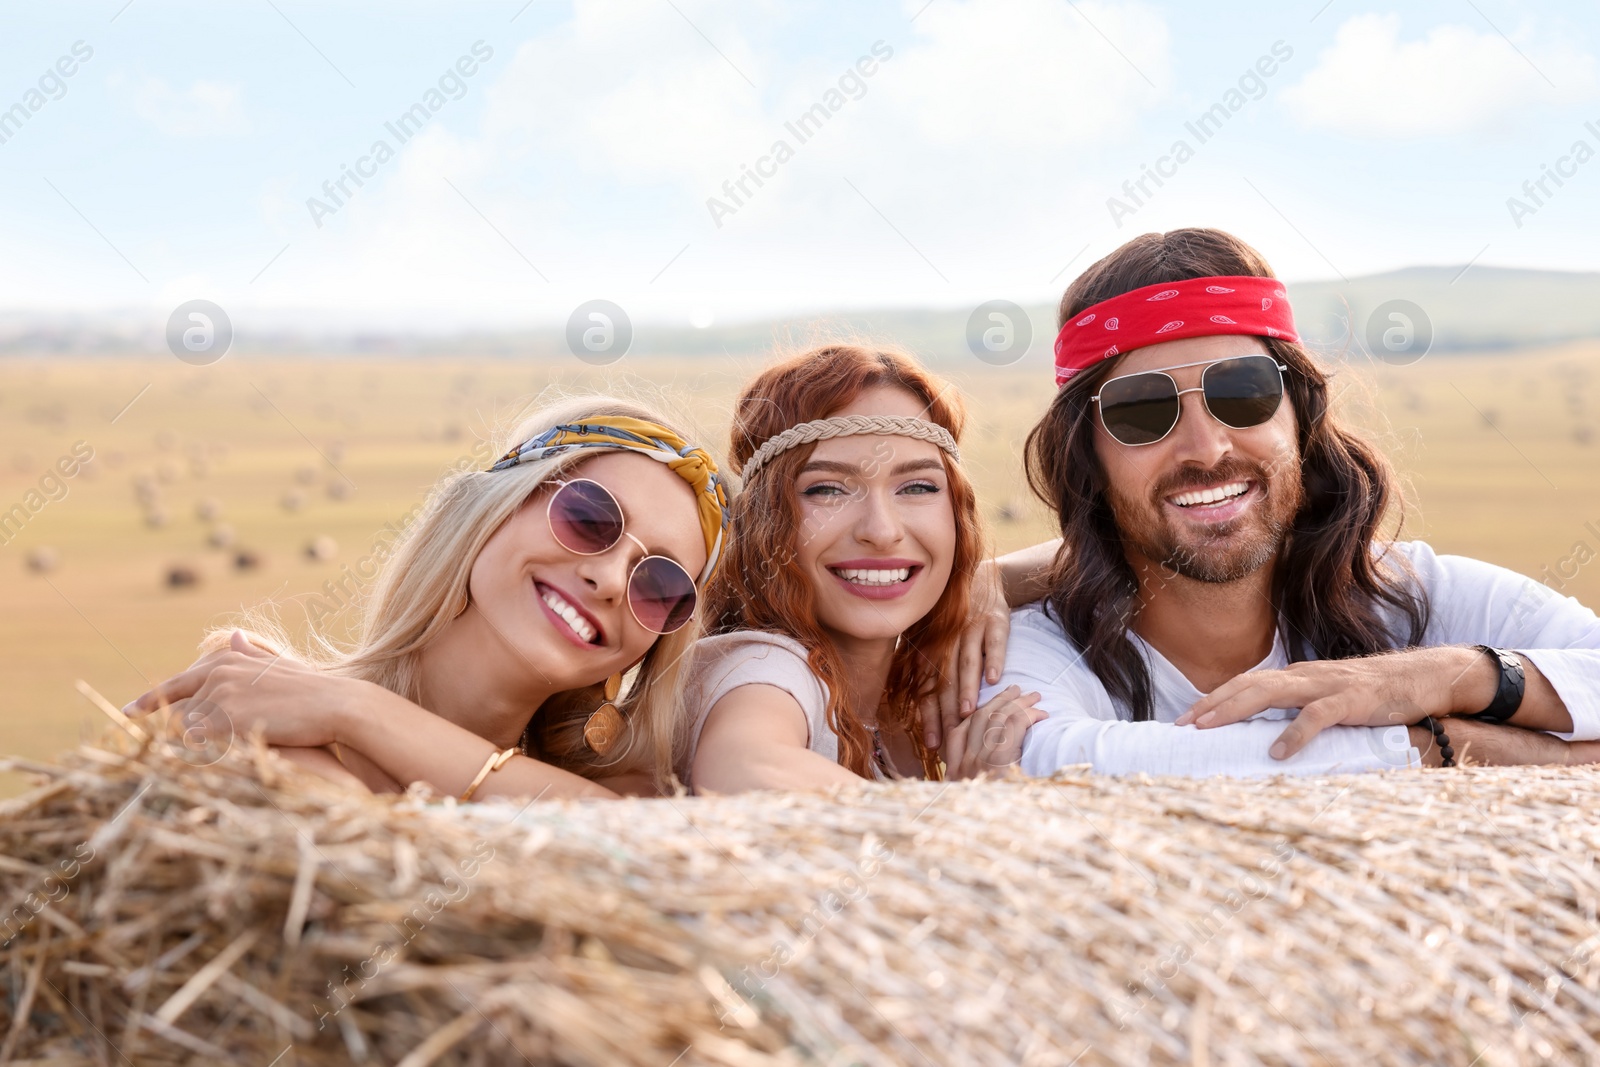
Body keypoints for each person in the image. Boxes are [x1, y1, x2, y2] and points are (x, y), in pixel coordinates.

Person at [981, 227, 1600, 777]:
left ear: (1300, 418)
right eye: (1141, 410)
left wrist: (1441, 678)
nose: (1205, 448)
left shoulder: (1402, 594)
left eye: (1243, 392)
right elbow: (1057, 759)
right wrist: (1436, 745)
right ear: (1086, 453)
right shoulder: (1040, 643)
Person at [124, 397, 731, 801]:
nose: (609, 581)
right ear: (492, 508)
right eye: (588, 516)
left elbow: (642, 843)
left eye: (660, 584)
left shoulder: (632, 793)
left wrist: (357, 712)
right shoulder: (264, 724)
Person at [685, 344, 1045, 793]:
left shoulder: (899, 700)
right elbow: (744, 766)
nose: (882, 531)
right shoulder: (766, 667)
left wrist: (991, 578)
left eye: (916, 486)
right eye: (827, 490)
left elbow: (1124, 555)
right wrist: (957, 807)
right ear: (763, 519)